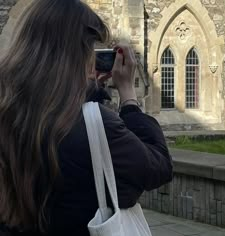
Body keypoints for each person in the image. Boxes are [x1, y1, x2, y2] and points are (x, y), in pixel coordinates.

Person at [0, 0, 173, 235]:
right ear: (77, 55)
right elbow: (157, 167)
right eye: (91, 50)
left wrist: (87, 91)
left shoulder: (8, 111)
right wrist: (129, 96)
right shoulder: (95, 125)